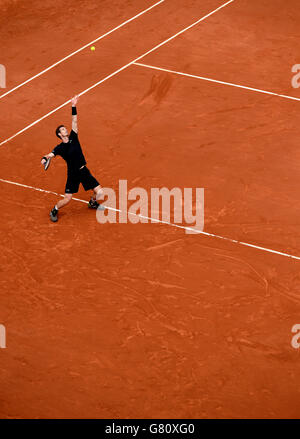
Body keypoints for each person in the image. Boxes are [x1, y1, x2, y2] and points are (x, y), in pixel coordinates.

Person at [41, 95, 104, 222]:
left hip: (83, 170)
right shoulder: (59, 148)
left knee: (100, 192)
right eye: (63, 129)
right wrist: (44, 158)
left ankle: (92, 202)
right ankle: (54, 209)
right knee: (67, 199)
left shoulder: (74, 137)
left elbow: (74, 121)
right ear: (60, 134)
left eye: (65, 128)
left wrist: (73, 106)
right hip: (73, 174)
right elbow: (51, 155)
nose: (65, 130)